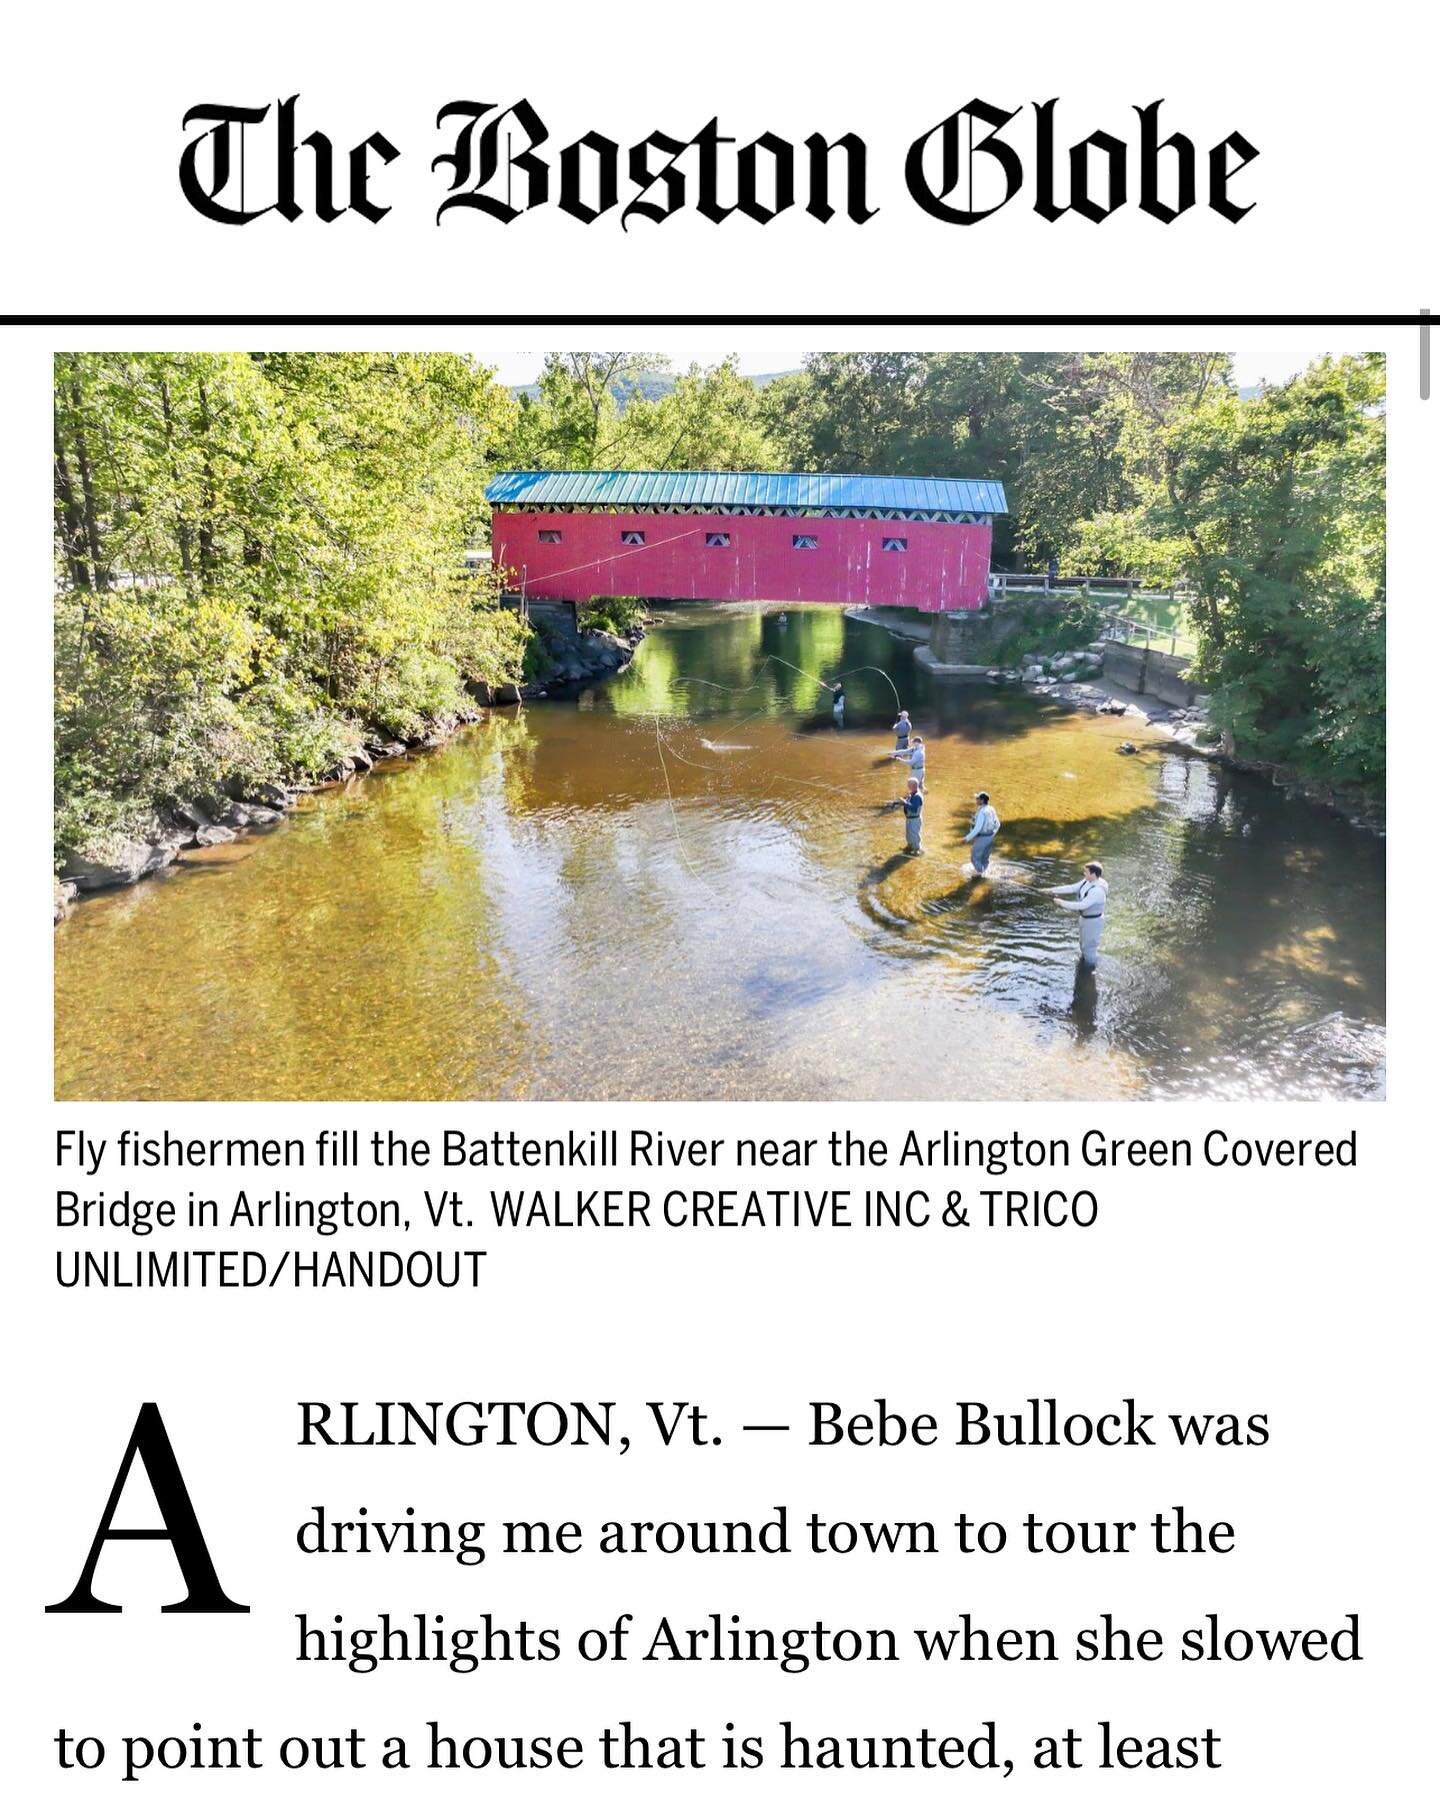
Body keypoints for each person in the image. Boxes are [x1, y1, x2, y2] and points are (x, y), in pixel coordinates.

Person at [1044, 861, 1108, 966]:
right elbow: (1072, 888)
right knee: (1083, 945)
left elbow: (1082, 905)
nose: (1084, 874)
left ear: (1093, 874)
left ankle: (1090, 971)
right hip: (1084, 918)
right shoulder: (1087, 881)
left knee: (1089, 948)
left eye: (1086, 872)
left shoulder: (1097, 891)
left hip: (1093, 922)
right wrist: (1051, 890)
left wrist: (1061, 903)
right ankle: (1084, 963)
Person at [964, 790, 1000, 873]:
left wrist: (967, 838)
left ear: (982, 800)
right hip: (990, 837)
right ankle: (985, 873)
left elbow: (977, 829)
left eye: (978, 798)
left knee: (974, 858)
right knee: (985, 859)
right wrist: (992, 834)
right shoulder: (991, 809)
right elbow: (998, 824)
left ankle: (981, 876)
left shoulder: (982, 812)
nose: (976, 800)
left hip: (982, 838)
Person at [897, 777, 923, 853]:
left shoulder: (917, 796)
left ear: (914, 785)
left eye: (909, 785)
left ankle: (917, 850)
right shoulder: (912, 794)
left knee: (914, 835)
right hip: (910, 819)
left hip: (914, 819)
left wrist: (904, 802)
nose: (908, 786)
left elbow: (914, 809)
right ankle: (909, 847)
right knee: (909, 835)